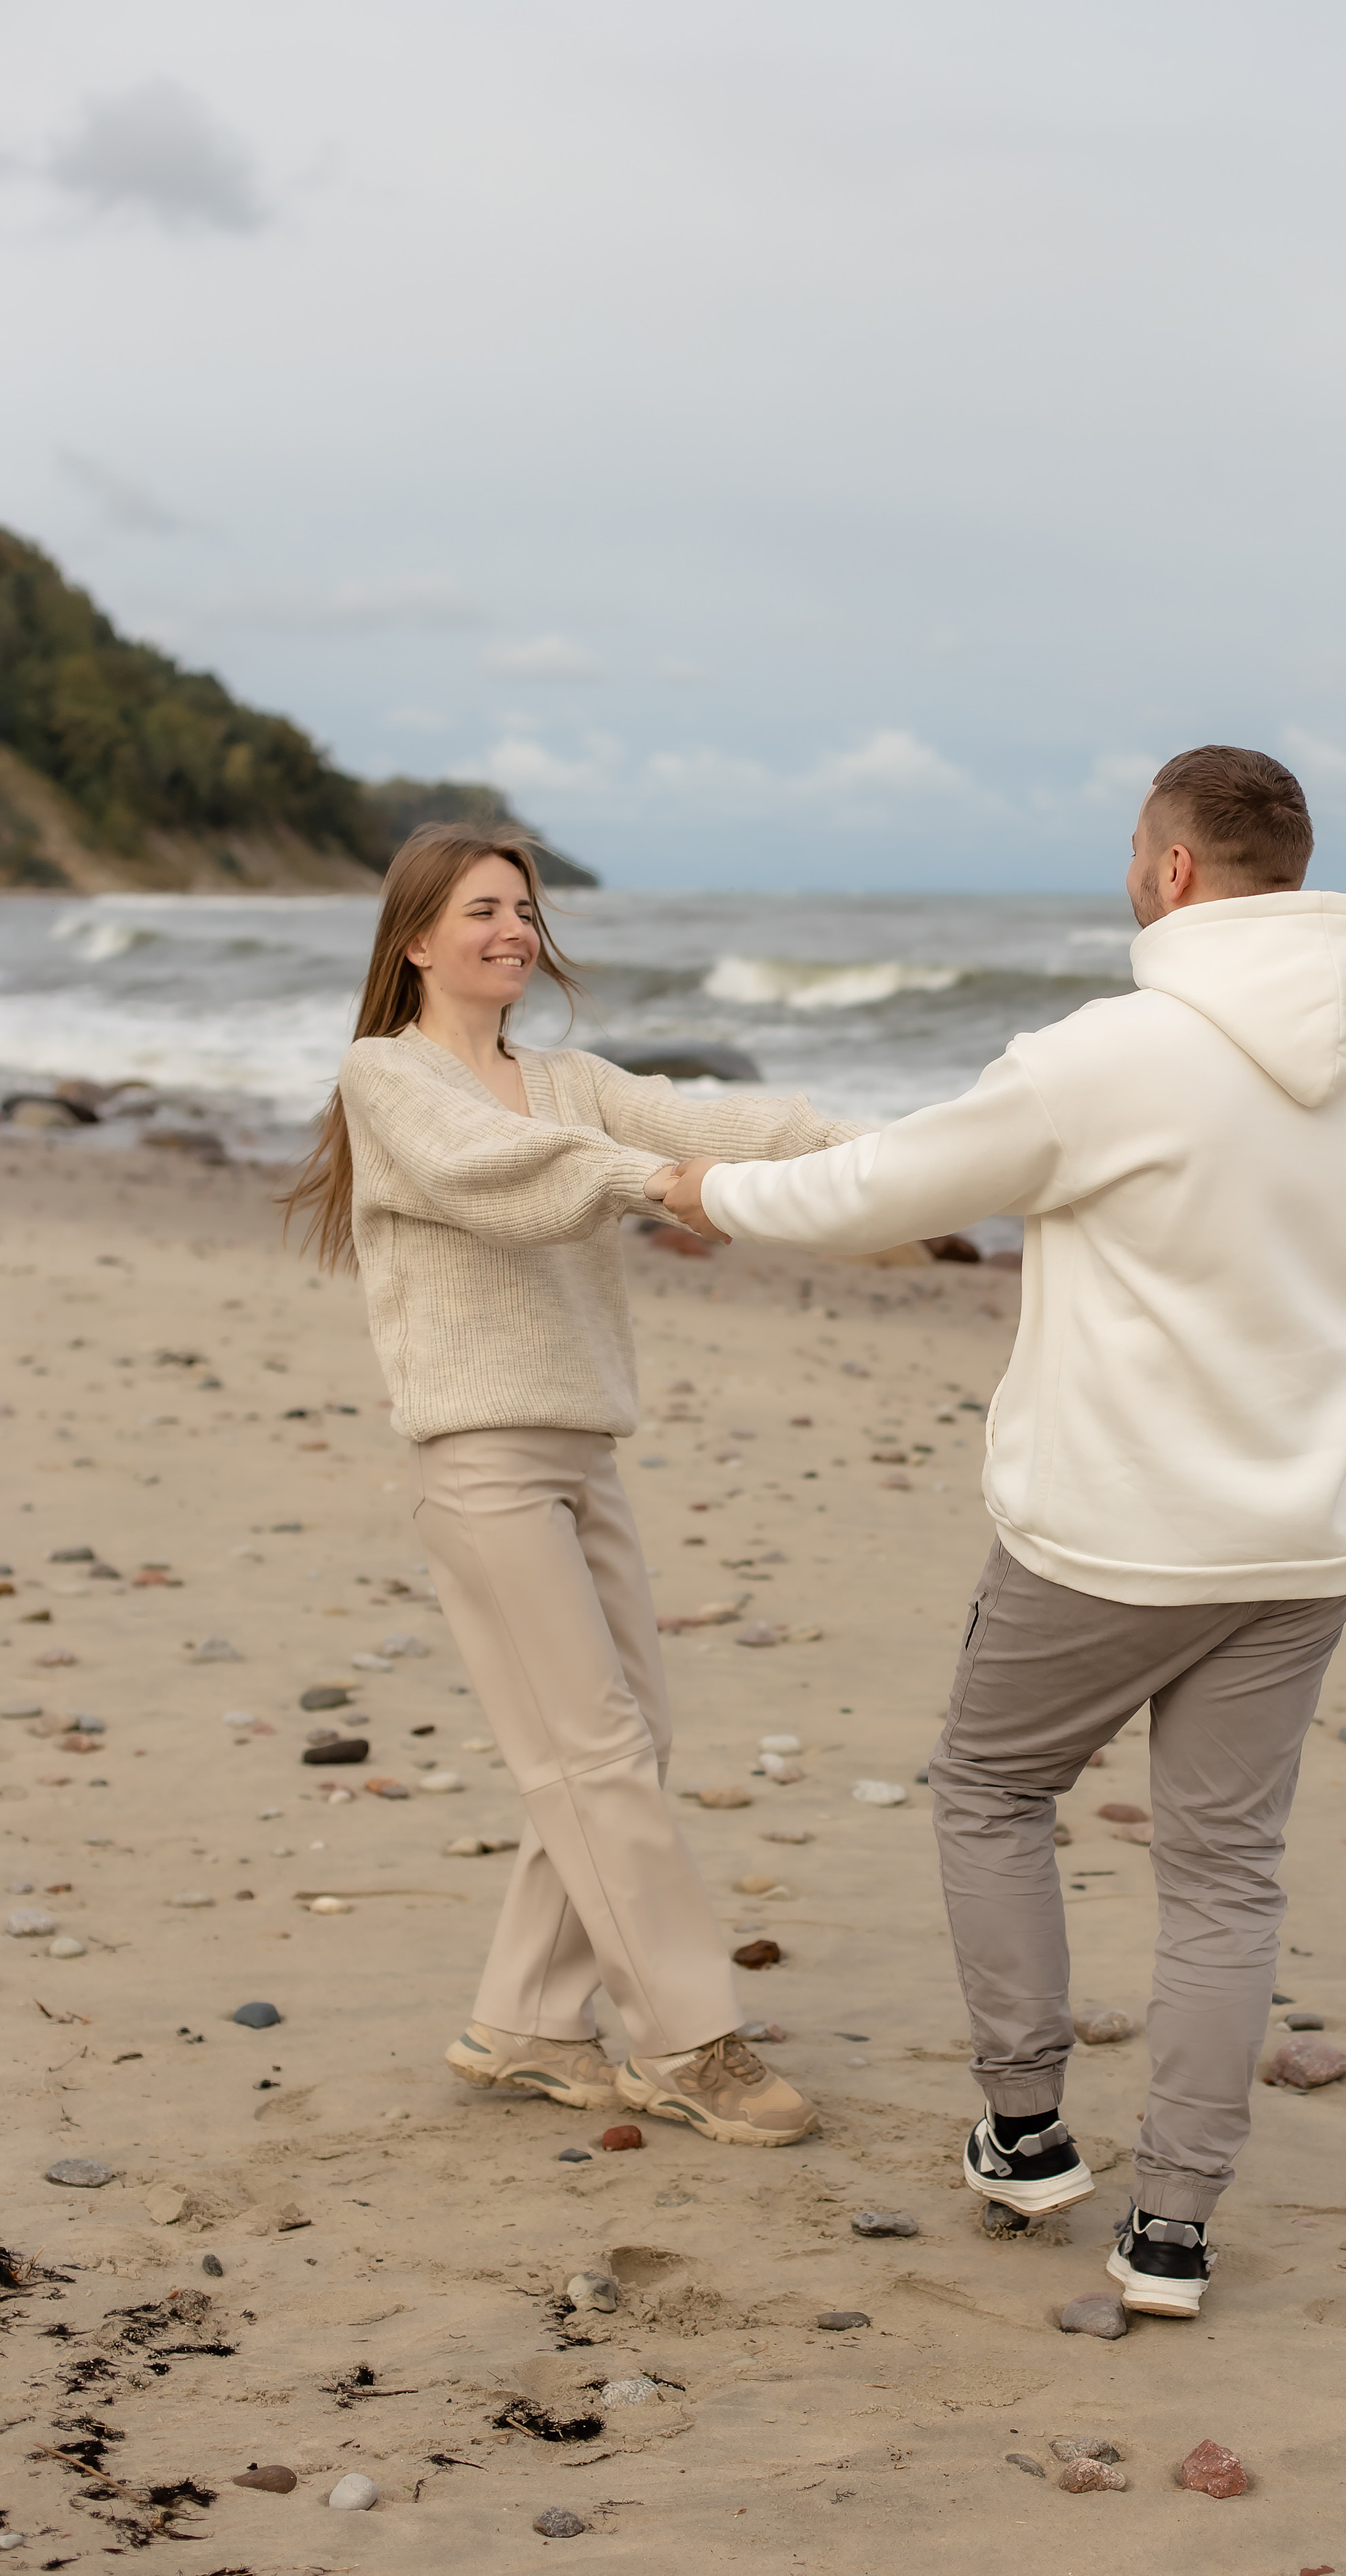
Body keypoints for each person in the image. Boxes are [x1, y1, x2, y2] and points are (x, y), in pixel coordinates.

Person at [649, 748, 1346, 2310]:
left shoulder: (1106, 1055)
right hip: (1300, 1537)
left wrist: (707, 1191)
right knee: (1224, 1879)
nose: (1130, 870)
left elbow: (880, 1188)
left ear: (1173, 869)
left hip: (1114, 1535)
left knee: (991, 1789)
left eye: (1135, 847)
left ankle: (1024, 2128)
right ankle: (1173, 2227)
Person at [285, 821, 867, 2147]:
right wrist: (658, 1185)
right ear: (415, 939)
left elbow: (729, 1120)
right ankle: (685, 2041)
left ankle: (527, 2023)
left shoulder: (569, 1079)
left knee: (627, 1740)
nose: (513, 930)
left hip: (581, 1448)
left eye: (524, 909)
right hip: (480, 1458)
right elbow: (489, 1172)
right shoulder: (387, 1075)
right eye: (482, 909)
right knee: (591, 1750)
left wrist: (907, 1150)